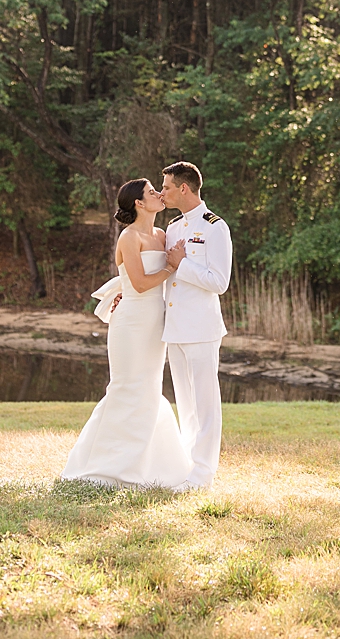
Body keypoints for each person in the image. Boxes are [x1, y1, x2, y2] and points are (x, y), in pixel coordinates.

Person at [61, 178, 192, 489]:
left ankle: (150, 465)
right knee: (125, 386)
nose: (159, 194)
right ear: (139, 203)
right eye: (152, 192)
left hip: (156, 321)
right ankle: (104, 465)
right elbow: (141, 283)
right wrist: (173, 267)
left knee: (149, 387)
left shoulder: (162, 234)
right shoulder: (128, 237)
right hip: (131, 322)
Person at [158, 161, 233, 490]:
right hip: (175, 326)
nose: (163, 193)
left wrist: (183, 264)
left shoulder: (215, 227)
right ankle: (188, 466)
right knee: (185, 403)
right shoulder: (173, 227)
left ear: (183, 188)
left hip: (201, 328)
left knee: (204, 402)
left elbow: (219, 282)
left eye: (167, 187)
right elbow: (164, 277)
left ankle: (203, 474)